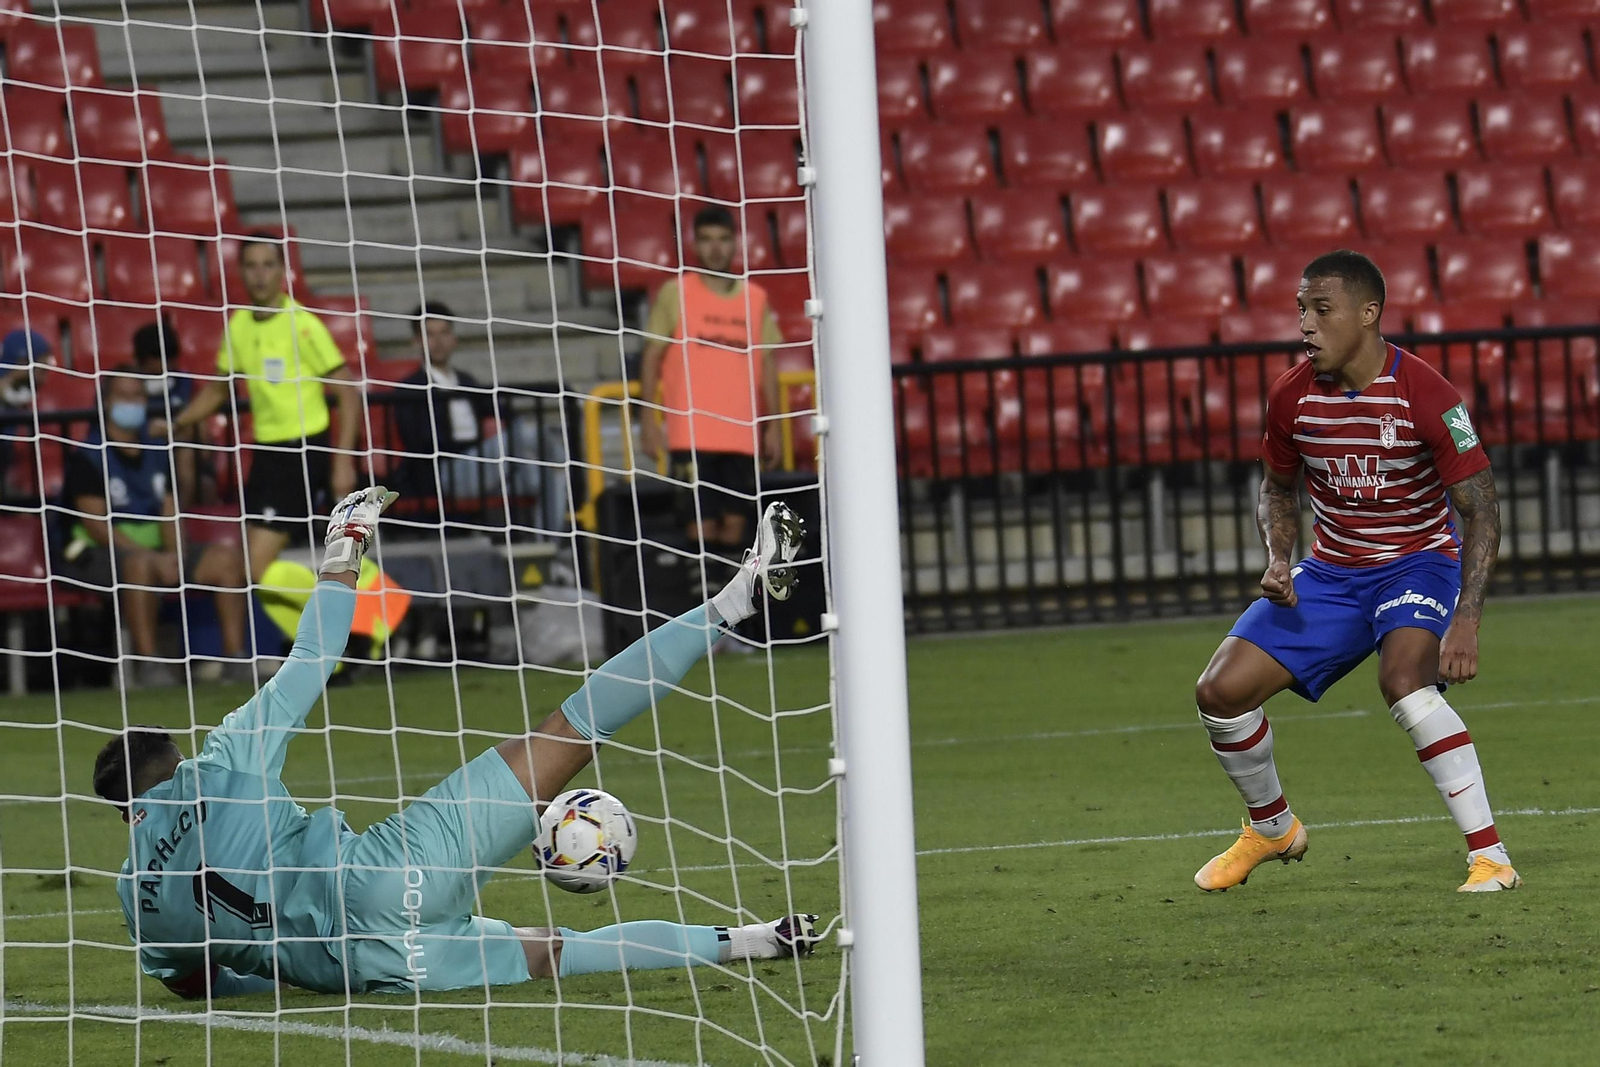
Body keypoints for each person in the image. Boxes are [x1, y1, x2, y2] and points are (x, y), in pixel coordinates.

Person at [96, 487, 816, 997]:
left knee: (562, 954)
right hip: (391, 871)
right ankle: (734, 600)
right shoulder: (220, 760)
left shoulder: (137, 896)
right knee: (570, 729)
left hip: (384, 966)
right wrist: (344, 544)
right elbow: (314, 656)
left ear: (127, 810)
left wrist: (275, 962)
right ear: (175, 761)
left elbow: (197, 986)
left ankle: (758, 938)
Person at [1191, 250, 1515, 894]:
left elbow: (1482, 511)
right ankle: (1272, 827)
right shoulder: (1292, 396)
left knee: (1404, 683)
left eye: (1321, 309)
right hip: (1332, 573)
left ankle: (1491, 857)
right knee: (1219, 694)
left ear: (1369, 315)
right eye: (1301, 310)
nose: (1305, 325)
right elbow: (1277, 491)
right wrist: (1279, 558)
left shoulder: (1429, 395)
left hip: (1418, 563)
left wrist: (1467, 621)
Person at [172, 236, 362, 586]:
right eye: (251, 266)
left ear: (282, 272)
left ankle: (340, 622)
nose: (260, 275)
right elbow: (218, 387)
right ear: (240, 272)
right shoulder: (240, 325)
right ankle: (328, 623)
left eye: (268, 265)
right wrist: (178, 423)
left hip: (303, 450)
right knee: (253, 568)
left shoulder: (301, 324)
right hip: (265, 453)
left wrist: (342, 461)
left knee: (254, 568)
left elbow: (348, 393)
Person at [57, 371, 250, 688]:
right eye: (124, 395)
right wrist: (152, 557)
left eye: (138, 396)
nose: (132, 403)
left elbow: (171, 511)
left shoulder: (159, 451)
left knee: (225, 560)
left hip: (158, 551)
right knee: (140, 565)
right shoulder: (88, 456)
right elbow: (96, 526)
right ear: (106, 402)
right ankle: (149, 665)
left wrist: (176, 555)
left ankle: (236, 660)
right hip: (95, 554)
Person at [637, 205, 784, 557]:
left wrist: (773, 426)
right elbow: (652, 356)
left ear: (735, 243)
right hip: (692, 433)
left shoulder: (755, 298)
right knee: (698, 529)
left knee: (736, 530)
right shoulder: (677, 293)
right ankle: (702, 609)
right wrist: (647, 418)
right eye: (706, 240)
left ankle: (732, 612)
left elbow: (766, 364)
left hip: (741, 433)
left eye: (722, 240)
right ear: (695, 245)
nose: (715, 249)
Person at [392, 301, 498, 503]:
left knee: (542, 475)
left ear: (454, 339)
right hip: (442, 472)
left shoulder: (468, 382)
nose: (438, 341)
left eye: (444, 333)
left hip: (481, 464)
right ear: (417, 341)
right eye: (430, 334)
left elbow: (497, 411)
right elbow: (418, 441)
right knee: (523, 435)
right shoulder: (409, 388)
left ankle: (553, 535)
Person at [132, 317, 199, 505]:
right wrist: (147, 431)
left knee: (189, 458)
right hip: (138, 453)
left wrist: (177, 429)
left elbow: (202, 432)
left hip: (178, 454)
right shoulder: (124, 386)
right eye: (159, 356)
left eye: (171, 356)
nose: (167, 363)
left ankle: (180, 522)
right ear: (141, 358)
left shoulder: (186, 383)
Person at [0, 328, 54, 496]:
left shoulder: (22, 394)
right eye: (42, 368)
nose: (46, 376)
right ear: (24, 363)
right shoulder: (10, 389)